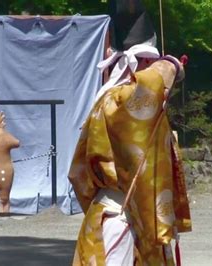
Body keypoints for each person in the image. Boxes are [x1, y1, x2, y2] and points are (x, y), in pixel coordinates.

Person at [68, 1, 192, 265]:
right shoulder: (119, 100)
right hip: (120, 218)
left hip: (130, 214)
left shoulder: (121, 99)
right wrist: (170, 64)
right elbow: (147, 88)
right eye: (150, 61)